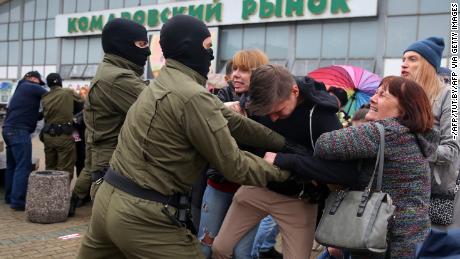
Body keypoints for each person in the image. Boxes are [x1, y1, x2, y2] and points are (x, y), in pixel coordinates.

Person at [77, 15, 294, 259]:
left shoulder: (166, 82)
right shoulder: (191, 96)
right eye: (208, 47)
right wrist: (291, 171)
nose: (212, 55)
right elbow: (234, 164)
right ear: (188, 47)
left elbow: (230, 119)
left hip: (109, 200)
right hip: (143, 215)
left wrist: (282, 143)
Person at [212, 65, 358, 259]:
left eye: (278, 111)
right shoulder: (262, 101)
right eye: (267, 112)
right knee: (220, 249)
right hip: (259, 187)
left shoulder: (322, 117)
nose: (272, 118)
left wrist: (284, 159)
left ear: (294, 91)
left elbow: (345, 171)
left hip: (298, 199)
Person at [309, 76, 438, 258]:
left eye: (382, 95)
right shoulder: (417, 136)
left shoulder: (385, 132)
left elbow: (323, 144)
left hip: (380, 239)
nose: (372, 98)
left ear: (404, 107)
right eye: (375, 92)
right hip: (412, 238)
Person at [198, 49, 279, 259]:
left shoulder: (271, 105)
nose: (235, 74)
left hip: (252, 189)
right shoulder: (225, 95)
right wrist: (225, 110)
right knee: (206, 245)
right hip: (219, 185)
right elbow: (209, 111)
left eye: (244, 70)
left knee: (243, 252)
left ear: (260, 74)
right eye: (234, 68)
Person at [69, 18, 151, 216]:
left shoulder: (115, 73)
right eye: (141, 44)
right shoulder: (117, 78)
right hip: (114, 164)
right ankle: (71, 202)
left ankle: (72, 202)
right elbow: (162, 106)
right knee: (115, 230)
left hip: (107, 158)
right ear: (121, 45)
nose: (147, 51)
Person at [402, 37, 460, 229]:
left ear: (428, 64)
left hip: (434, 194)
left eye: (412, 59)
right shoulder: (401, 97)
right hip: (401, 188)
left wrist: (414, 150)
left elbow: (451, 150)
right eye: (403, 59)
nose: (404, 64)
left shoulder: (450, 97)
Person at [2, 71, 47, 210]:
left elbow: (32, 114)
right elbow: (51, 94)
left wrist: (42, 114)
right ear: (33, 78)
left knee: (12, 166)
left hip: (8, 130)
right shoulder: (30, 86)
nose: (40, 85)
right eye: (39, 82)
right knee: (23, 166)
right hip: (19, 132)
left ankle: (9, 197)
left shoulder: (20, 89)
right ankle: (18, 201)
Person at [41, 73, 82, 178]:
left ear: (48, 84)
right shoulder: (68, 92)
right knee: (65, 170)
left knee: (50, 168)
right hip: (65, 136)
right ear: (60, 82)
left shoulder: (45, 96)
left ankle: (49, 192)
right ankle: (62, 194)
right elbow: (84, 103)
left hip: (48, 136)